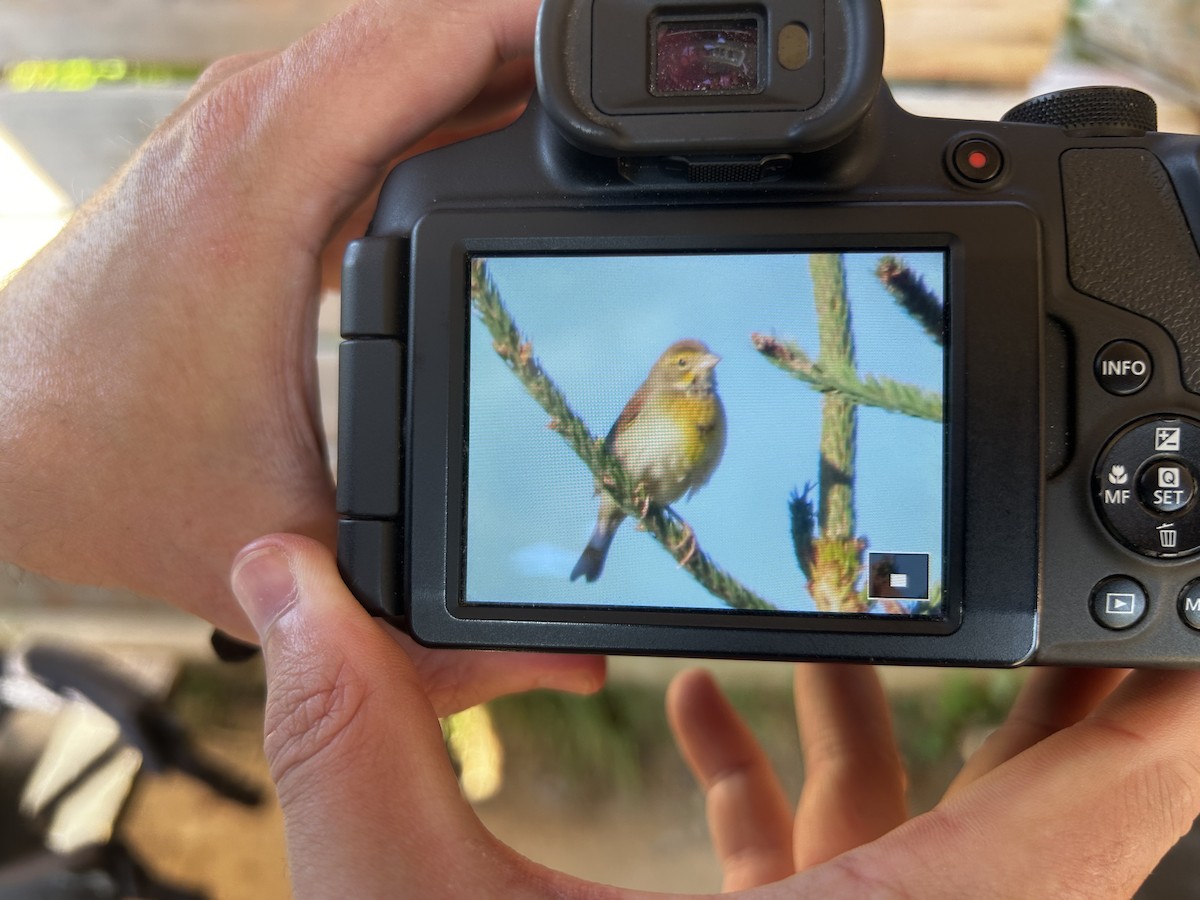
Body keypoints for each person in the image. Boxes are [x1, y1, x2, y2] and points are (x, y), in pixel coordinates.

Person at [2, 0, 1200, 895]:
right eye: (690, 367)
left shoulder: (716, 405)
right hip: (627, 493)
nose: (703, 376)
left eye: (705, 366)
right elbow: (632, 458)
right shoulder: (644, 405)